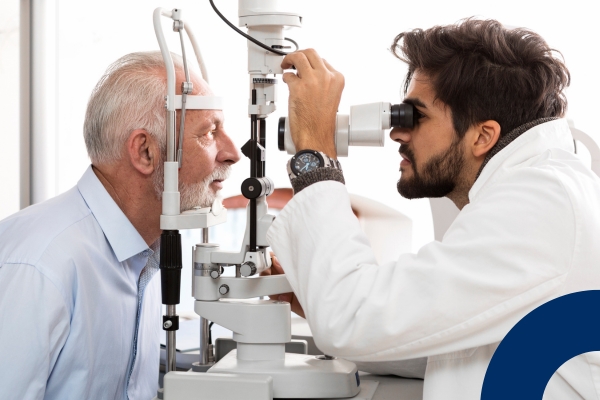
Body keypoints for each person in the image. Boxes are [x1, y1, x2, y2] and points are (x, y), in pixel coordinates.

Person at [266, 18, 600, 399]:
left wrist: (315, 153)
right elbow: (453, 343)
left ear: (482, 136)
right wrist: (318, 300)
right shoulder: (547, 191)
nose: (397, 132)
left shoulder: (540, 204)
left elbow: (350, 318)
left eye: (416, 116)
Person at [0, 52, 240, 399]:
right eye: (209, 133)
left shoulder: (144, 253)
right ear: (145, 152)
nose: (233, 152)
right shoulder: (39, 266)